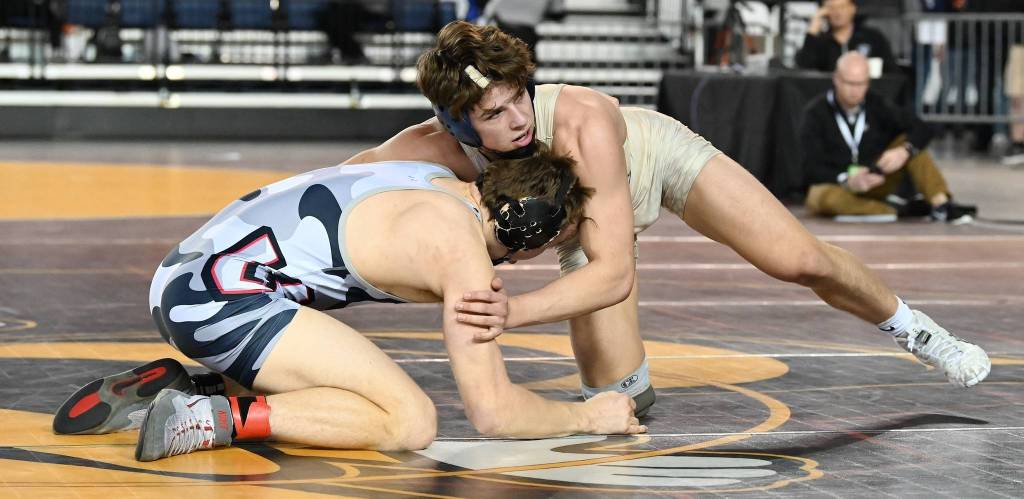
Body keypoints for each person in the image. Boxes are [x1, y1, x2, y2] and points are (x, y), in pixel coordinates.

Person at [345, 21, 991, 412]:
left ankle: (916, 329)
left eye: (519, 100)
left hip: (645, 160)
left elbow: (613, 273)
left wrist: (513, 311)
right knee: (623, 398)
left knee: (797, 258)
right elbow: (334, 194)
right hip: (581, 230)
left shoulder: (581, 119)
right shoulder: (425, 150)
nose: (517, 122)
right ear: (455, 123)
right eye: (494, 114)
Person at [52, 148, 647, 462]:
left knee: (362, 387)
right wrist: (588, 418)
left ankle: (206, 390)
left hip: (191, 278)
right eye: (553, 243)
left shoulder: (432, 175)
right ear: (530, 231)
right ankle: (206, 419)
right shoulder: (458, 250)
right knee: (410, 421)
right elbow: (494, 413)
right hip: (221, 301)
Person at [801, 52, 977, 223]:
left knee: (911, 146)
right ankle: (896, 209)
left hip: (876, 180)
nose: (856, 91)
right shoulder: (816, 113)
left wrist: (904, 151)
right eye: (850, 83)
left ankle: (941, 204)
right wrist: (846, 178)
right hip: (840, 185)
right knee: (822, 198)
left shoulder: (876, 104)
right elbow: (810, 167)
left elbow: (921, 127)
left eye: (861, 84)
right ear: (837, 79)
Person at [796, 0, 898, 74]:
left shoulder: (873, 38)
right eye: (832, 8)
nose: (838, 13)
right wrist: (813, 30)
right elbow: (804, 72)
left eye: (842, 7)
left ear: (852, 8)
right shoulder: (819, 43)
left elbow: (892, 72)